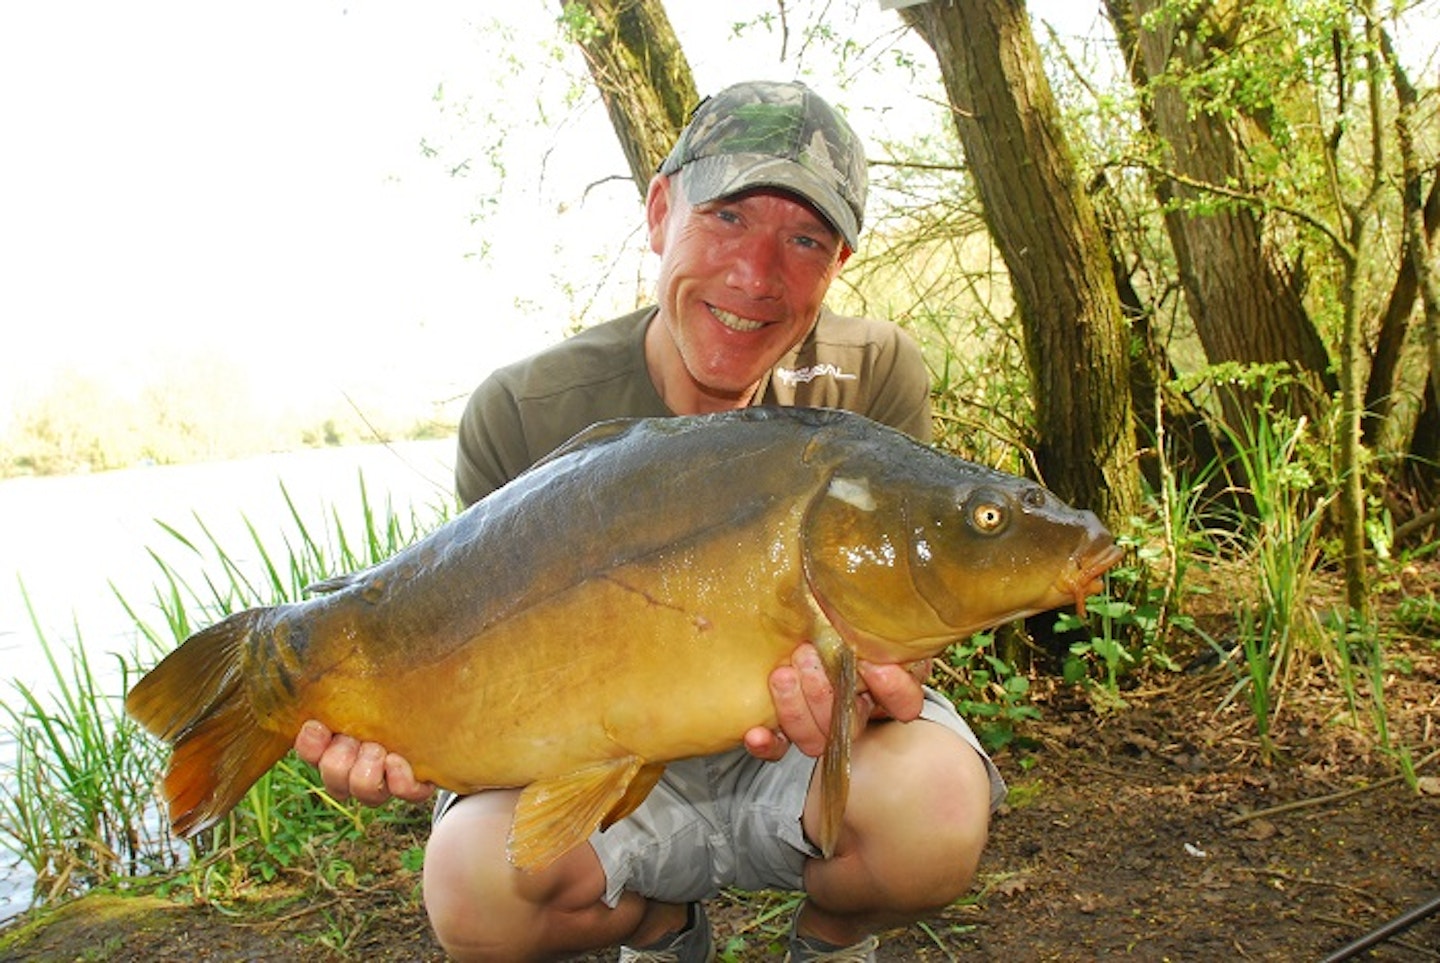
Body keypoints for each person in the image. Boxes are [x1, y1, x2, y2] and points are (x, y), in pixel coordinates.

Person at [295, 79, 1006, 963]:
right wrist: (394, 731)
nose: (757, 273)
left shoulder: (871, 378)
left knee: (934, 806)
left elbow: (906, 624)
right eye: (729, 219)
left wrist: (871, 694)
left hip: (792, 752)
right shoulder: (523, 408)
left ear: (840, 263)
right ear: (661, 211)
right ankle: (661, 927)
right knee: (474, 883)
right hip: (595, 755)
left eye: (804, 239)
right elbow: (468, 652)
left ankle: (831, 941)